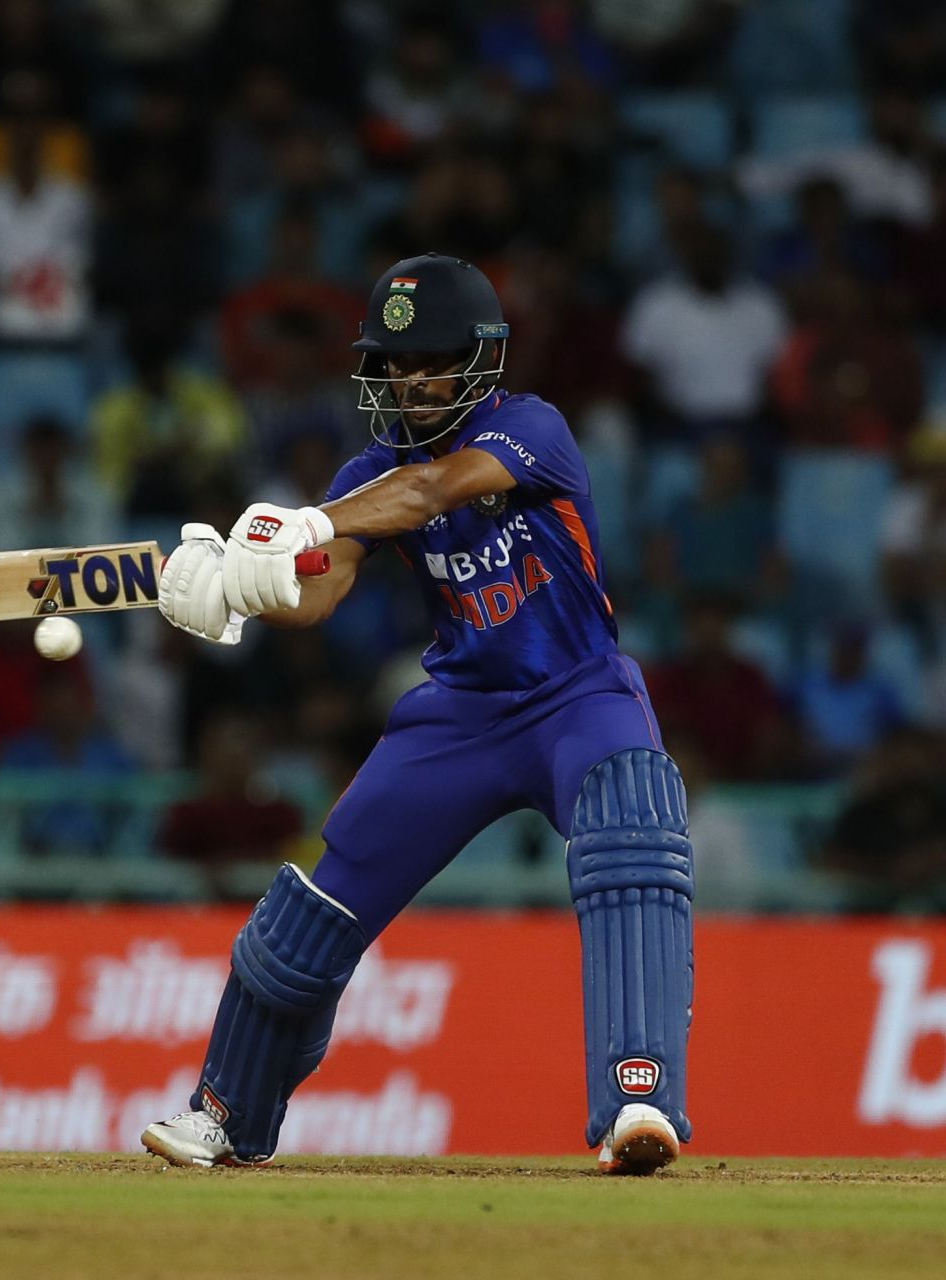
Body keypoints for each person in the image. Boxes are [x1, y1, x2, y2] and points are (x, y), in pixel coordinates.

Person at [150, 255, 695, 1175]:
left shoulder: (532, 428)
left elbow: (436, 490)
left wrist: (309, 523)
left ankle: (637, 1099)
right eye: (395, 363)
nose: (410, 379)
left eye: (431, 359)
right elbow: (316, 597)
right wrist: (230, 592)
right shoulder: (371, 470)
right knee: (320, 899)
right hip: (462, 711)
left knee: (633, 837)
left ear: (481, 358)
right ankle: (225, 1112)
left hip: (579, 692)